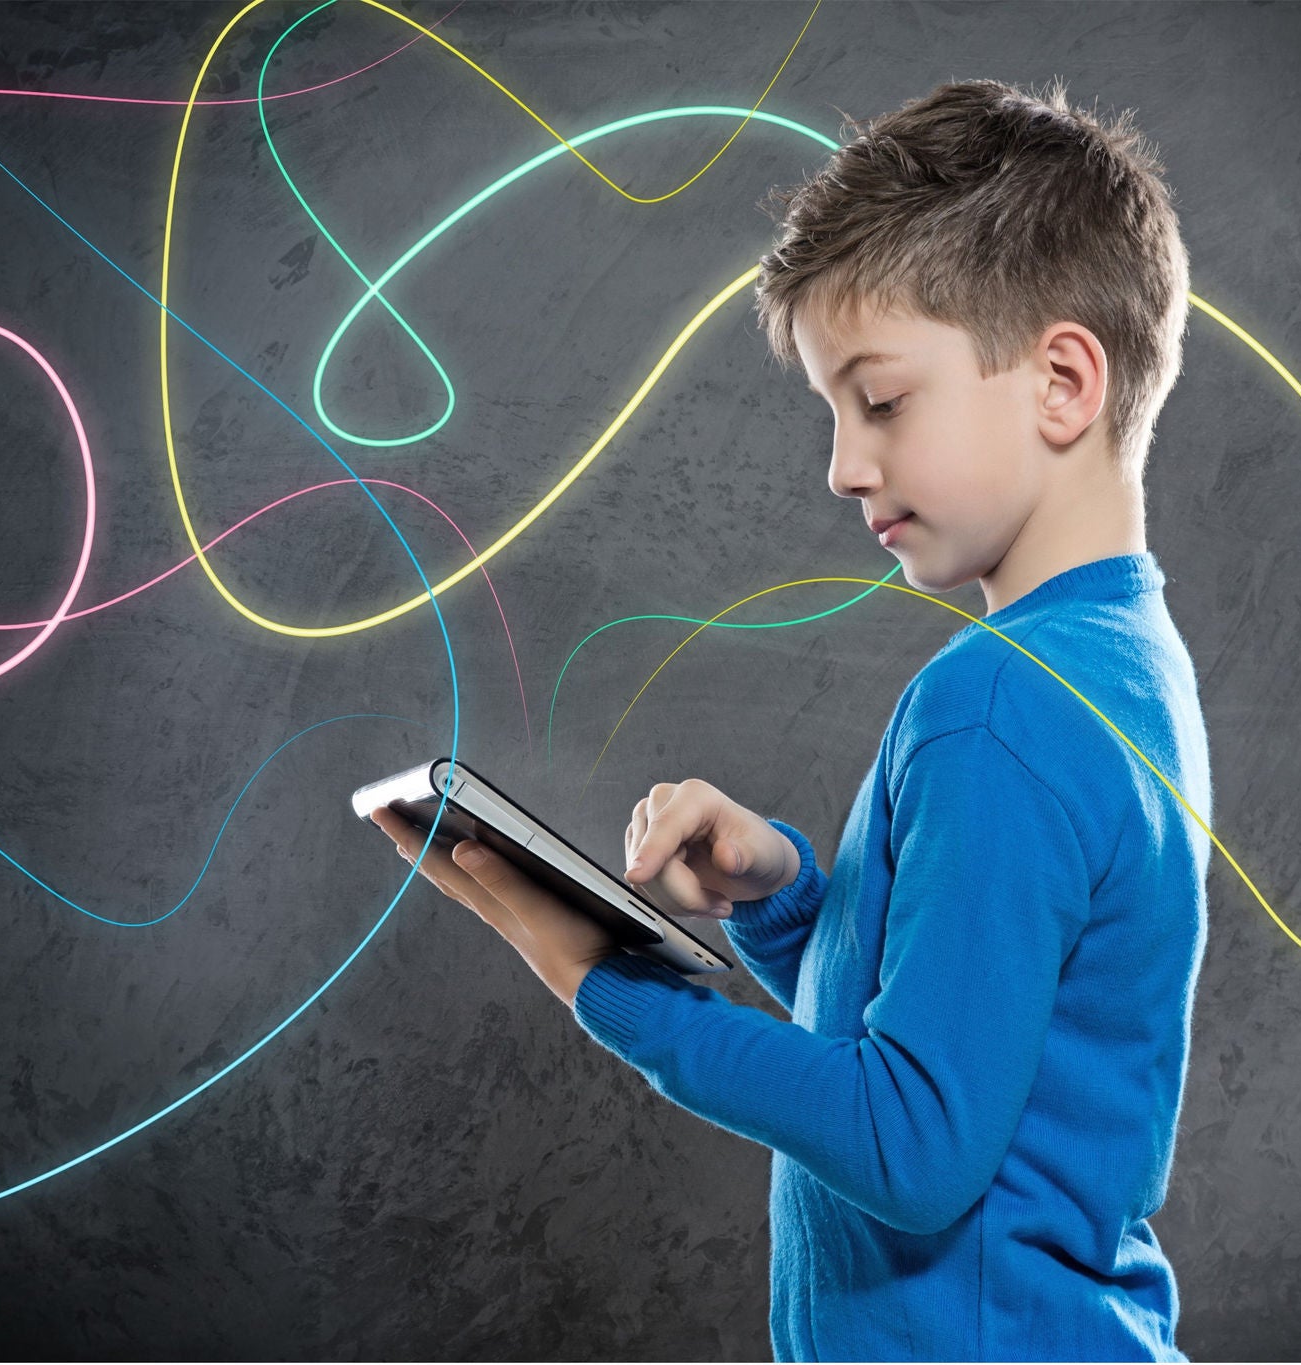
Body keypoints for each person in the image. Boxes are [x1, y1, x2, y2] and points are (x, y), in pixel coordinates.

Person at [371, 74, 1211, 1363]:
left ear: (1062, 383)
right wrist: (782, 898)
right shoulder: (1122, 661)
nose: (842, 465)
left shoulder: (993, 708)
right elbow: (978, 1031)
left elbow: (914, 1143)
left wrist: (606, 984)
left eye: (880, 402)